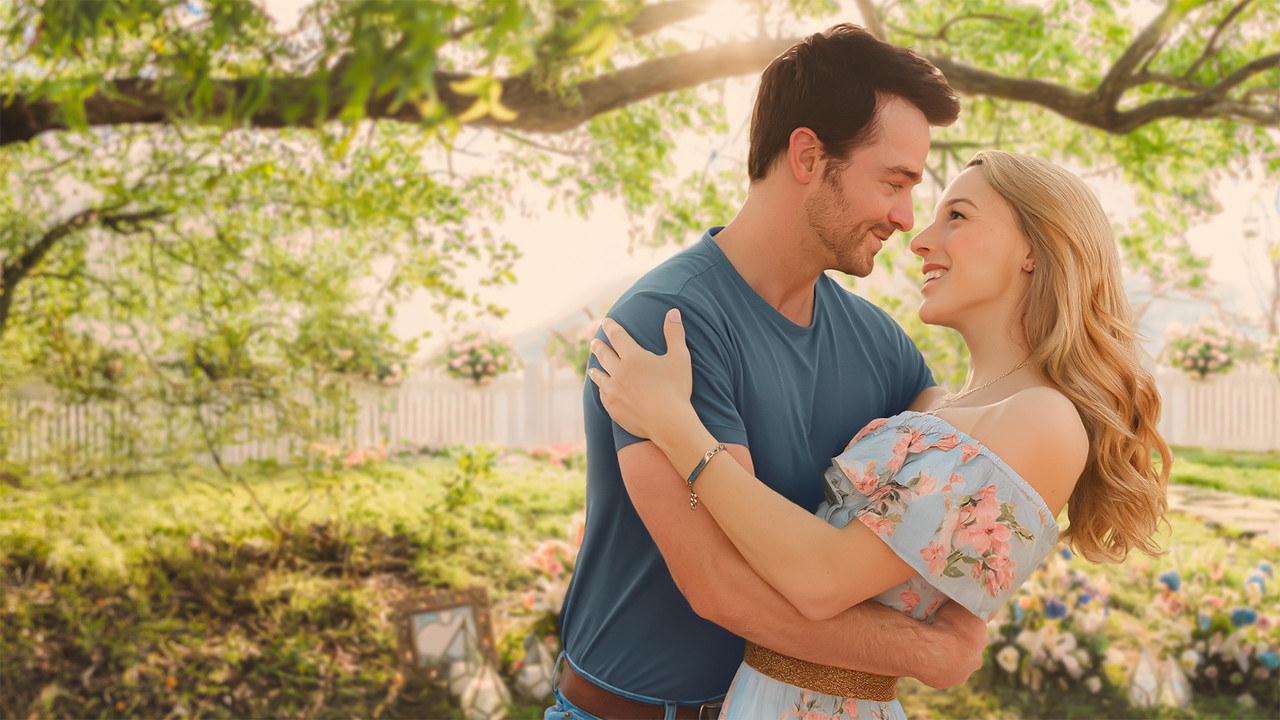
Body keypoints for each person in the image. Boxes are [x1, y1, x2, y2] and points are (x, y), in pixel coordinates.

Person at [587, 149, 1172, 719]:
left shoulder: (1040, 418)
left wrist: (672, 423)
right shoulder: (937, 405)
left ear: (1034, 249)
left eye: (958, 216)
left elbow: (821, 581)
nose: (918, 237)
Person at [549, 22, 992, 720]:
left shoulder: (879, 344)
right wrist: (923, 653)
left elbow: (970, 451)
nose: (907, 218)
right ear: (809, 155)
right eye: (894, 182)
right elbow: (722, 586)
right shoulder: (669, 325)